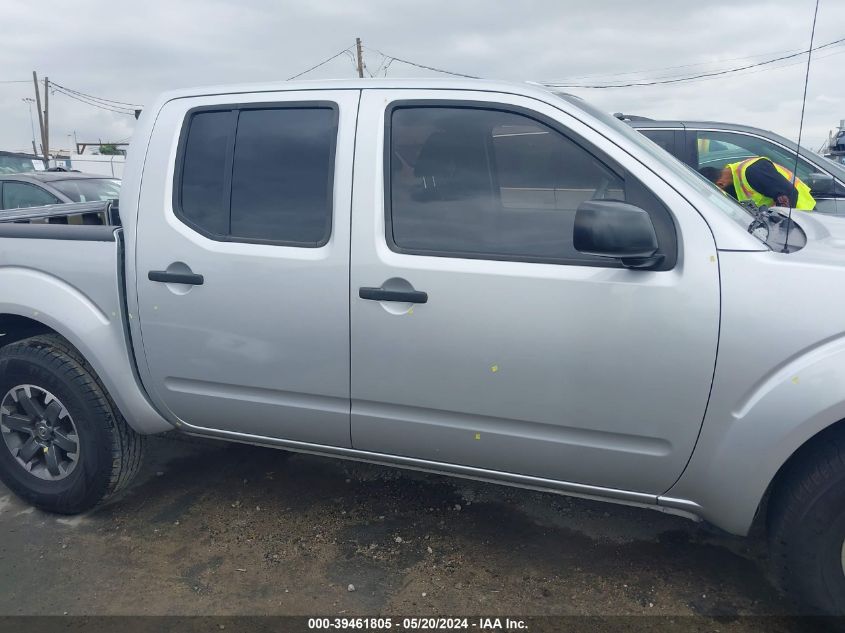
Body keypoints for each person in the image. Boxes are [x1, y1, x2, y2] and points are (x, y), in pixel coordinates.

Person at [700, 156, 816, 210]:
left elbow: (789, 195)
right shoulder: (734, 179)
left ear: (720, 184)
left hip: (803, 214)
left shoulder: (753, 171)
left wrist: (778, 230)